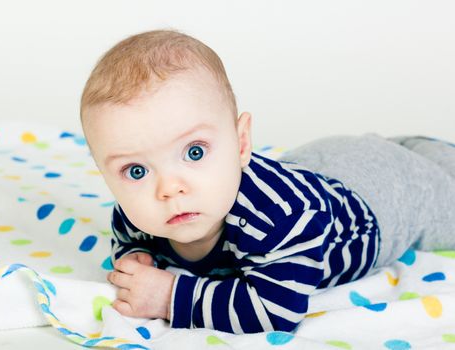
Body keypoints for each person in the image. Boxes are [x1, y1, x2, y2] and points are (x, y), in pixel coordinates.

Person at [79, 29, 455, 334]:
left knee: (442, 192)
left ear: (241, 143)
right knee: (389, 149)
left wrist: (167, 297)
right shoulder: (136, 211)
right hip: (317, 165)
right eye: (136, 171)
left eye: (194, 152)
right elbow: (127, 237)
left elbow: (275, 311)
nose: (168, 188)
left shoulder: (281, 217)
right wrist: (134, 259)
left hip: (379, 202)